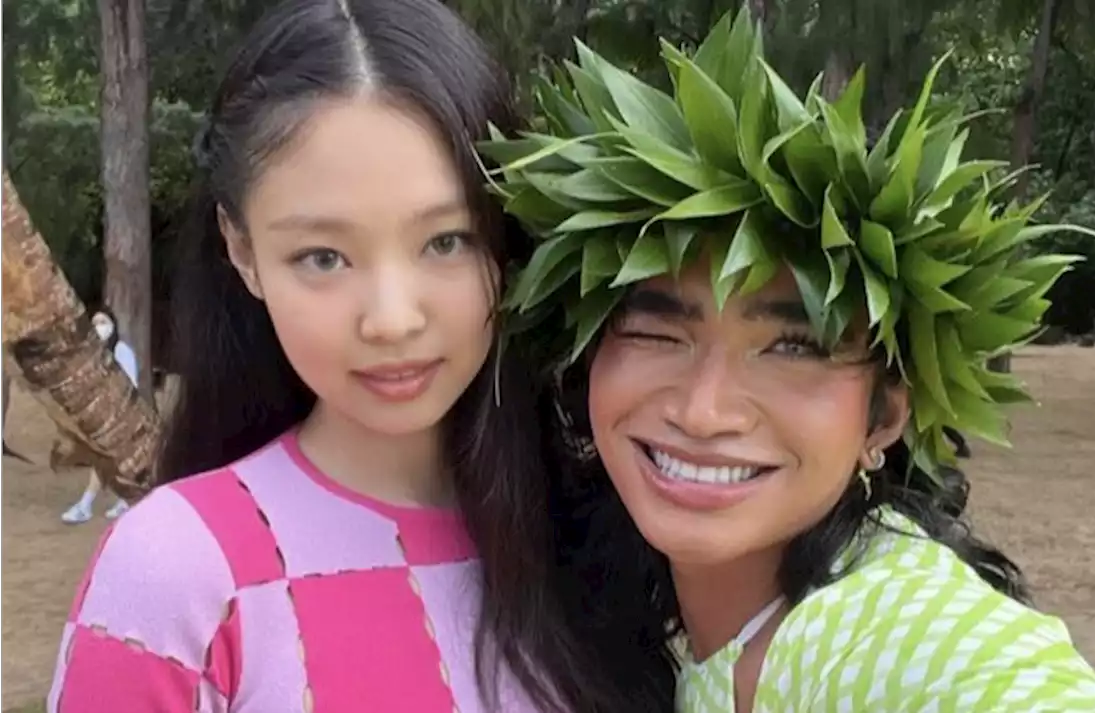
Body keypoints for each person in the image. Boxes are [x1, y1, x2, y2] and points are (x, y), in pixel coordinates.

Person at [485, 10, 1095, 712]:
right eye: (655, 333)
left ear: (884, 415)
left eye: (793, 348)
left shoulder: (894, 632)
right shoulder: (654, 627)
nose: (704, 410)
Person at [47, 1, 660, 711]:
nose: (392, 319)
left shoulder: (606, 536)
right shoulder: (178, 576)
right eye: (324, 256)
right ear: (242, 250)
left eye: (446, 240)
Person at [59, 309, 134, 523]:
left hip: (119, 416)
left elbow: (129, 385)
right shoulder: (93, 355)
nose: (99, 326)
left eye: (103, 321)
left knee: (103, 460)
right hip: (100, 417)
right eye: (95, 322)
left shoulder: (122, 351)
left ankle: (85, 505)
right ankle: (124, 499)